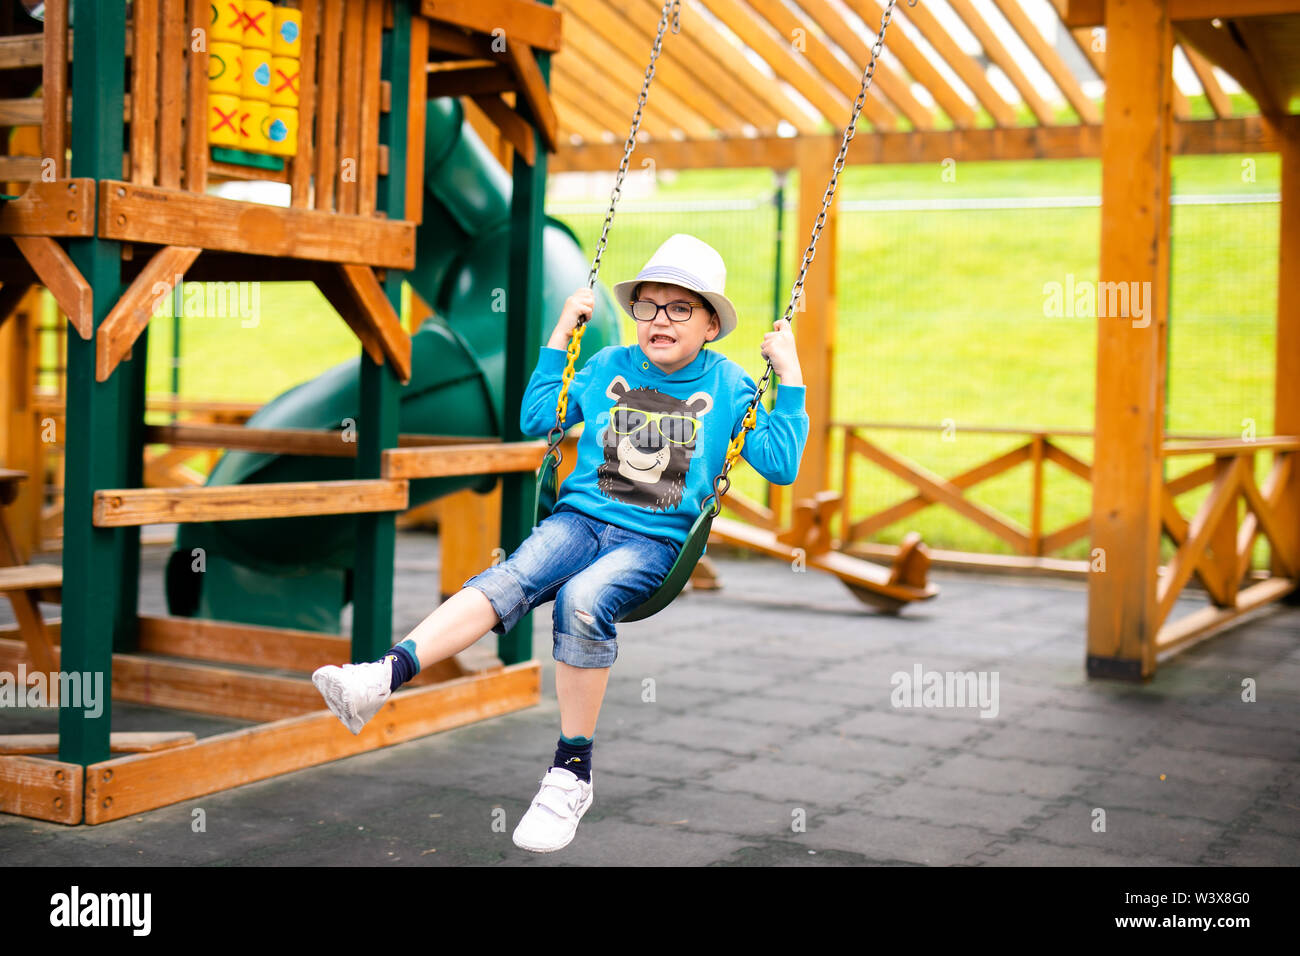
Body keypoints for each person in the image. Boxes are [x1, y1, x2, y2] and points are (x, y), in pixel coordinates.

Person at [312, 233, 809, 852]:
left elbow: (781, 462)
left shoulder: (733, 386)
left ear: (710, 324)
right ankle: (381, 677)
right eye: (649, 305)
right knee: (508, 579)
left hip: (653, 544)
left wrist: (788, 374)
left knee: (582, 598)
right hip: (578, 521)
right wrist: (559, 337)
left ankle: (571, 774)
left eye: (680, 308)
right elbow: (536, 418)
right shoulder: (606, 367)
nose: (660, 319)